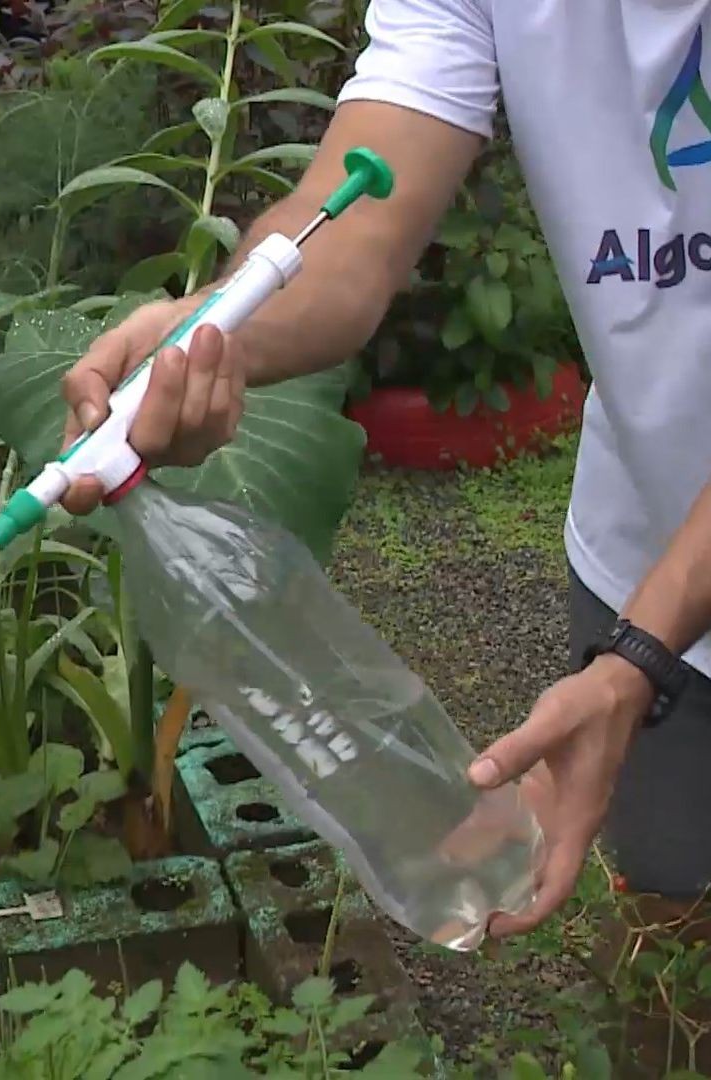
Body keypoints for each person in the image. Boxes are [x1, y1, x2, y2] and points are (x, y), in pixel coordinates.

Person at [55, 0, 711, 940]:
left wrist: (640, 656)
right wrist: (207, 335)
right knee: (678, 913)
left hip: (651, 632)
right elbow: (353, 233)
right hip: (643, 555)